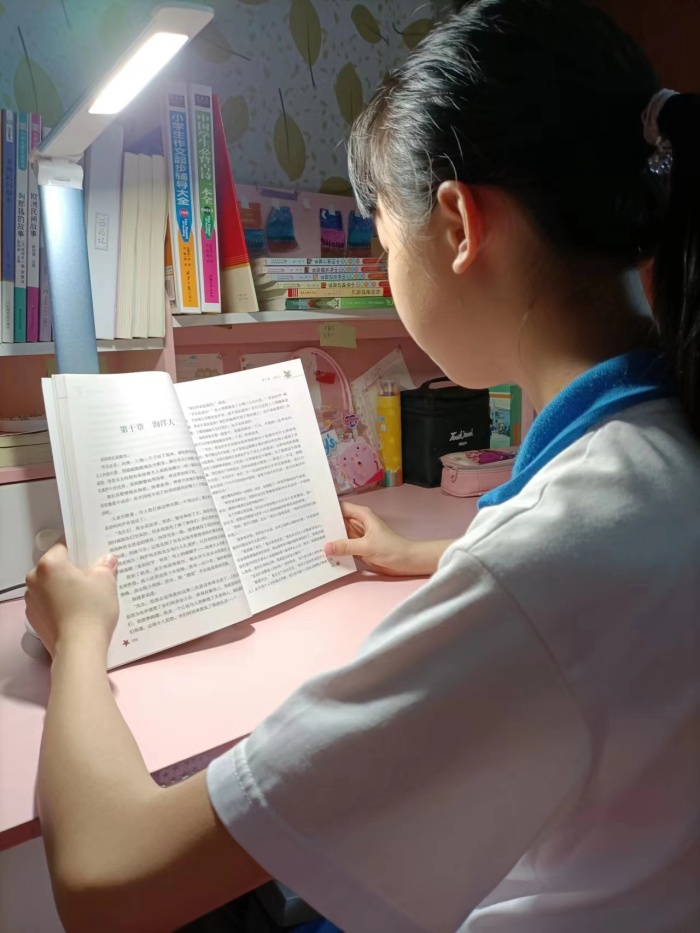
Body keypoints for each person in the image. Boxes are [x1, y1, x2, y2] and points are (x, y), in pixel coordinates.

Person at [24, 1, 699, 930]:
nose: (385, 276)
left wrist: (77, 638)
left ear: (458, 223)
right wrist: (434, 555)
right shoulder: (664, 445)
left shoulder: (541, 570)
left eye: (383, 242)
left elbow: (106, 881)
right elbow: (597, 574)